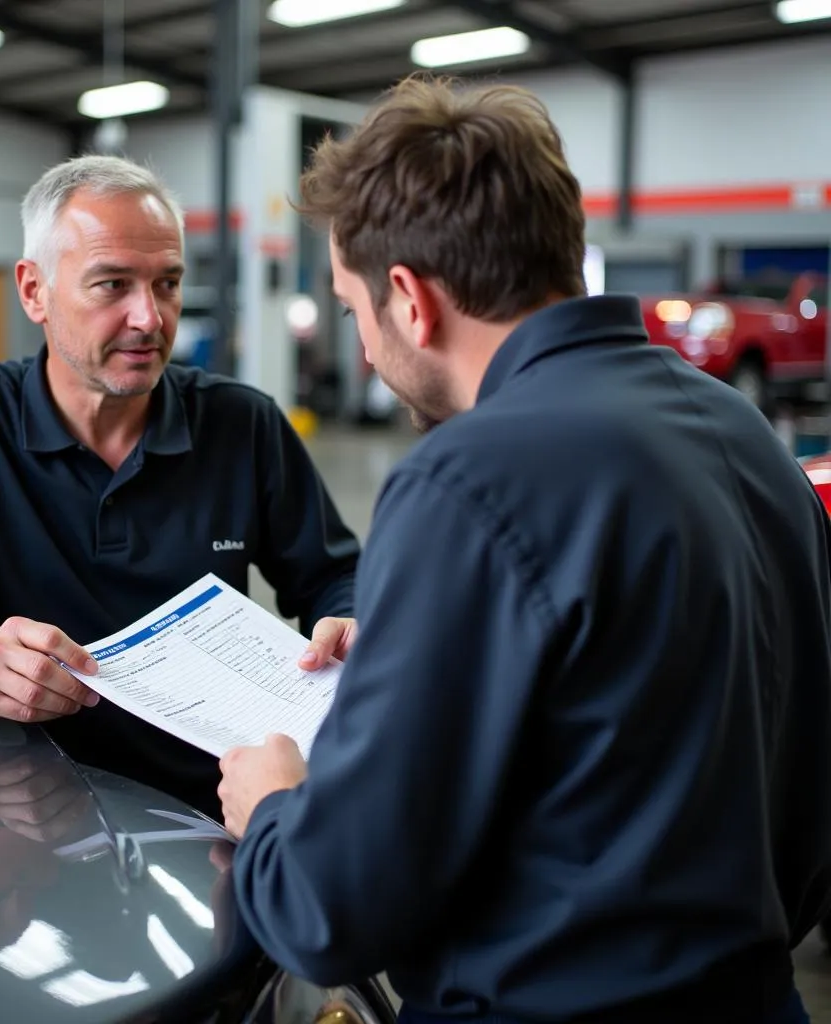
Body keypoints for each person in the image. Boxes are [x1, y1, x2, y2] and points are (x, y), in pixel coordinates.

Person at [216, 75, 831, 1024]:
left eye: (353, 311)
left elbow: (329, 909)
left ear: (411, 301)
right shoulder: (747, 437)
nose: (367, 352)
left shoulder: (464, 480)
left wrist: (271, 810)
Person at [0, 153, 360, 816]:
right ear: (34, 292)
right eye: (112, 285)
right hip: (33, 811)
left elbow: (332, 576)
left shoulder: (241, 423)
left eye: (167, 283)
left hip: (217, 806)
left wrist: (353, 619)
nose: (151, 318)